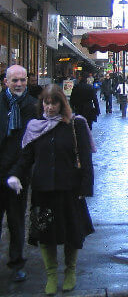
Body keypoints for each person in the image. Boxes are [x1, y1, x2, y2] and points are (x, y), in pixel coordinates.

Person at [7, 84, 94, 294]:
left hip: (69, 189)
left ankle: (70, 271)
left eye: (54, 103)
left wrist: (85, 186)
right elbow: (27, 156)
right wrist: (16, 175)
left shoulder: (76, 125)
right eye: (46, 103)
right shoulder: (35, 127)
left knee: (72, 233)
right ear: (42, 104)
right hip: (43, 190)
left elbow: (85, 158)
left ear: (62, 104)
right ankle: (52, 275)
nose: (50, 107)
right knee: (46, 235)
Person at [0, 65, 38, 282]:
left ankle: (16, 264)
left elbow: (31, 146)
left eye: (22, 80)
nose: (19, 84)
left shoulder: (32, 107)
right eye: (14, 80)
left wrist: (18, 172)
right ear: (6, 82)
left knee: (16, 222)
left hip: (19, 176)